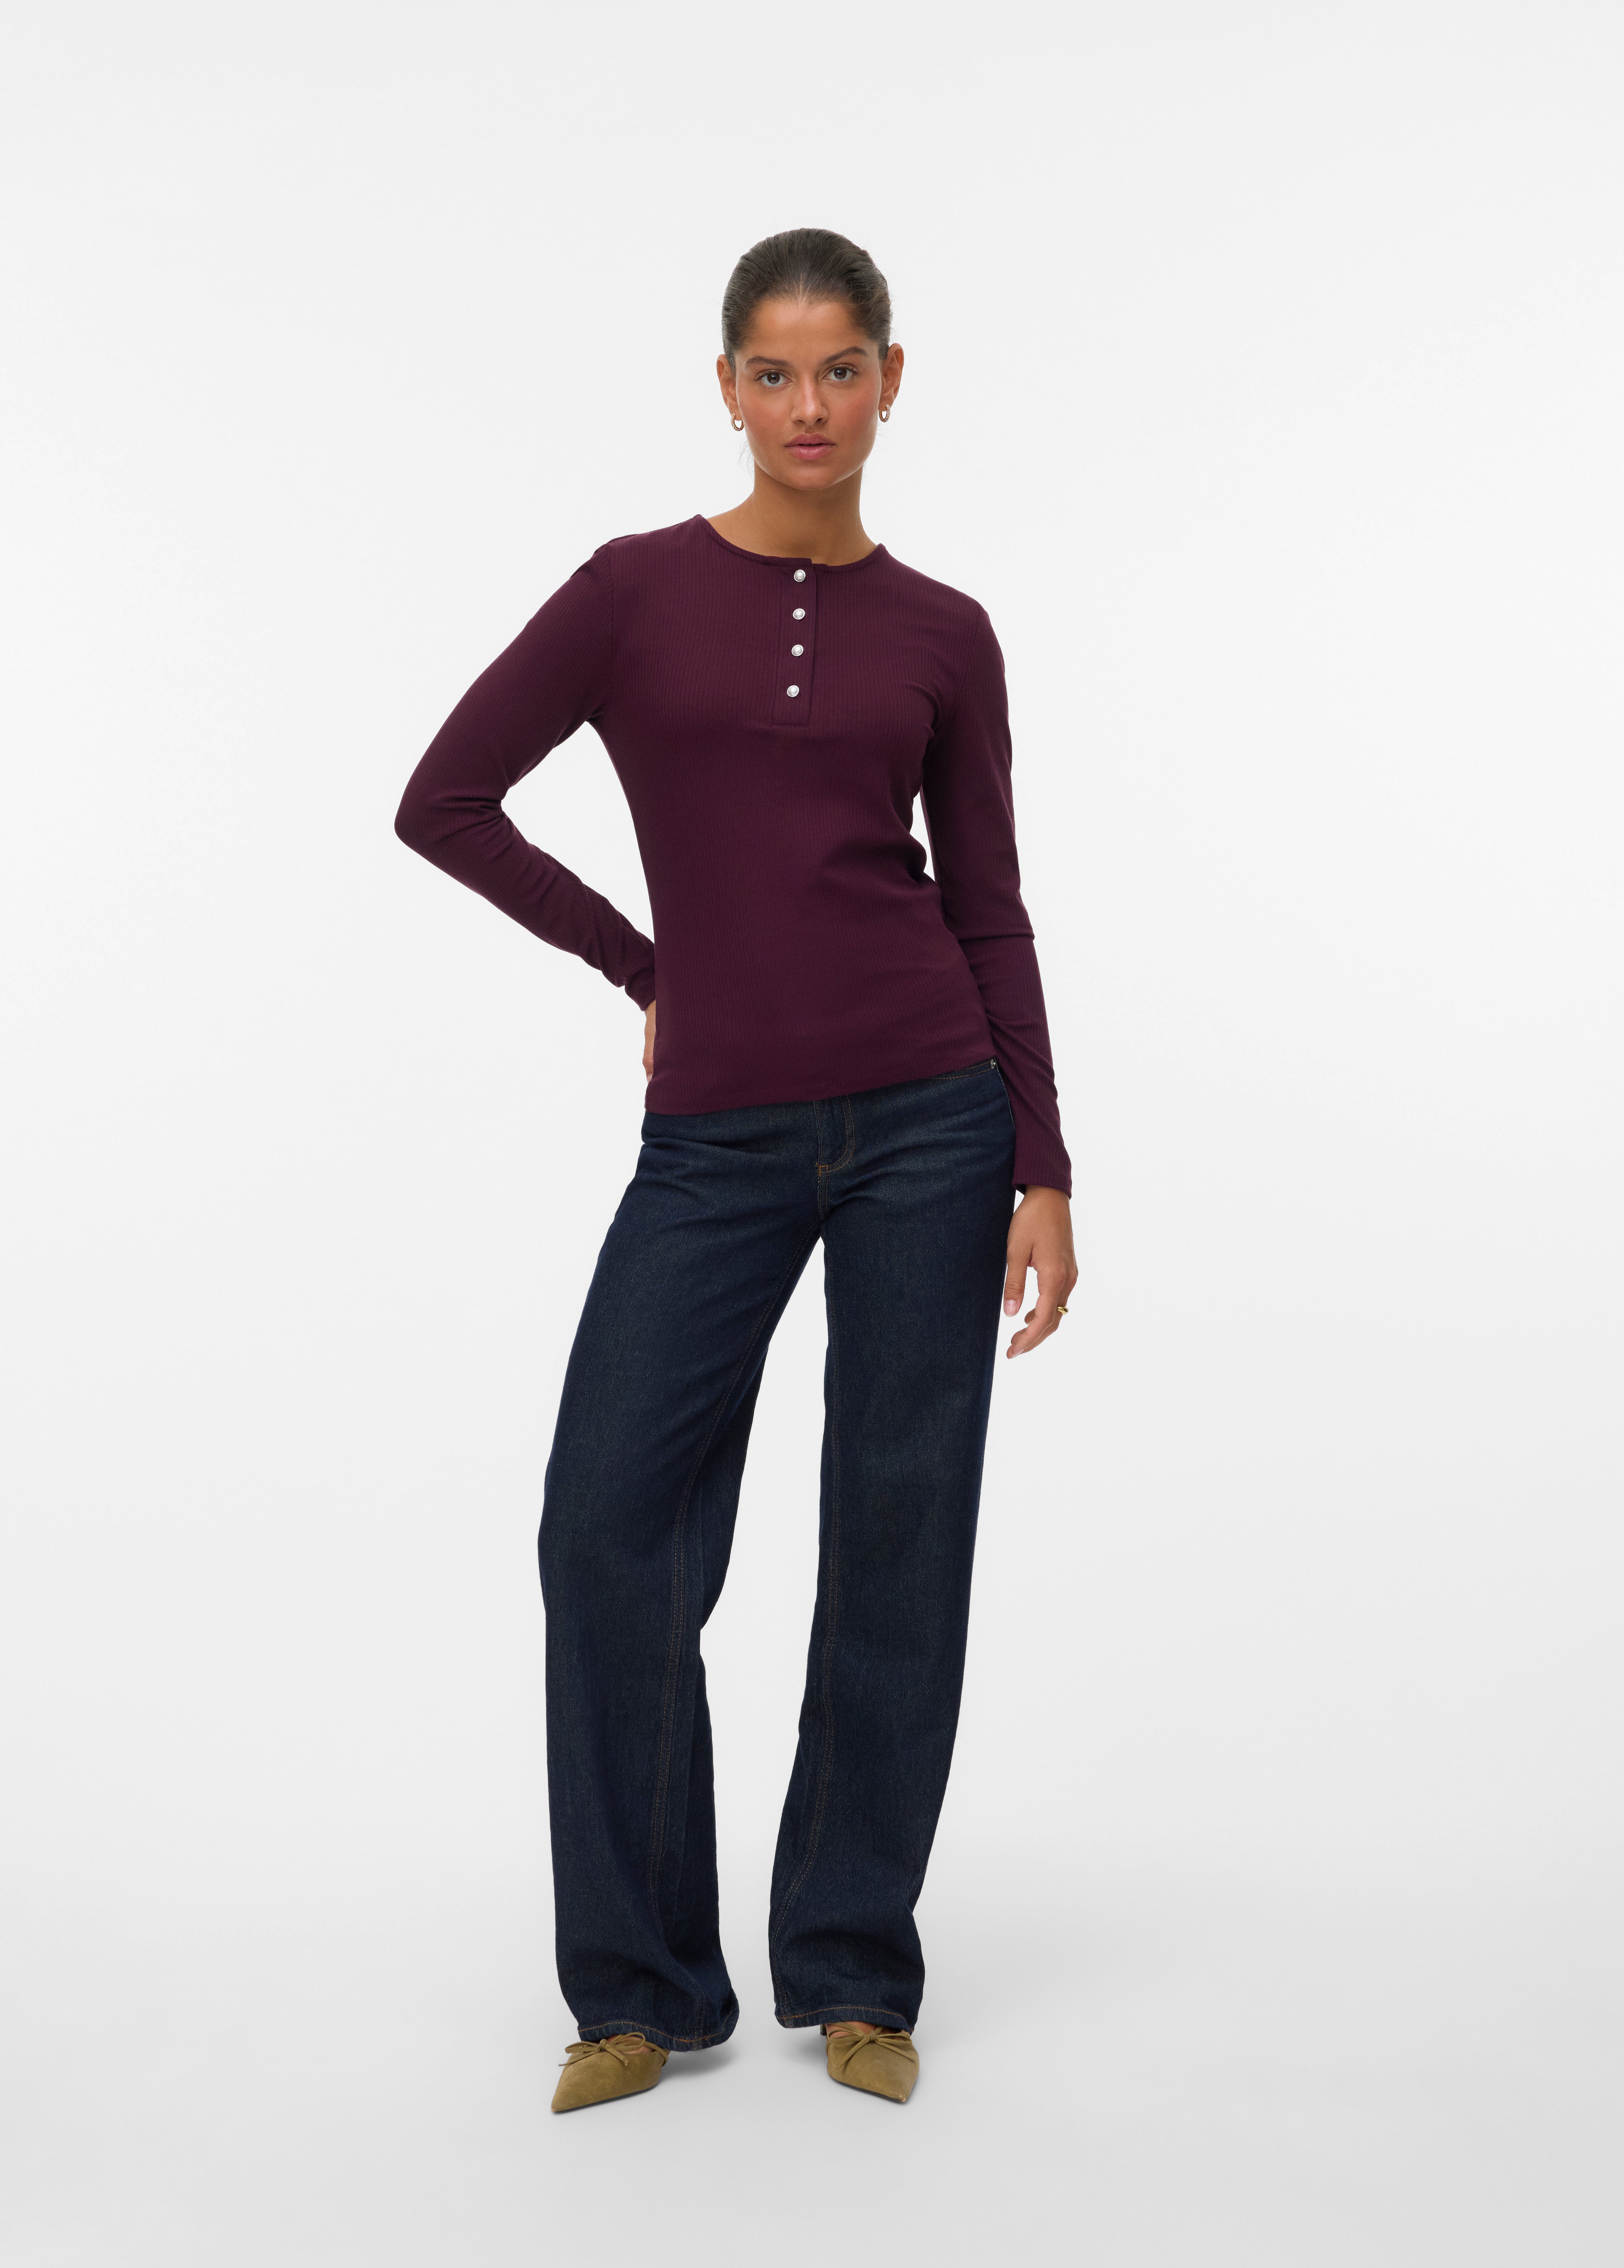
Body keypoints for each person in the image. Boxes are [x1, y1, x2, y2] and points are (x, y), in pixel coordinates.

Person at [394, 227, 1076, 2113]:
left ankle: (854, 1966)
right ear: (726, 388)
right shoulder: (632, 593)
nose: (808, 406)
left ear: (891, 381)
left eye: (841, 369)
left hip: (934, 1115)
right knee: (606, 1525)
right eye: (773, 373)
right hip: (714, 1136)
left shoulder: (945, 631)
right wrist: (649, 966)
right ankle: (639, 1990)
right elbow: (444, 799)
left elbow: (992, 907)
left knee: (899, 1533)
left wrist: (1041, 1154)